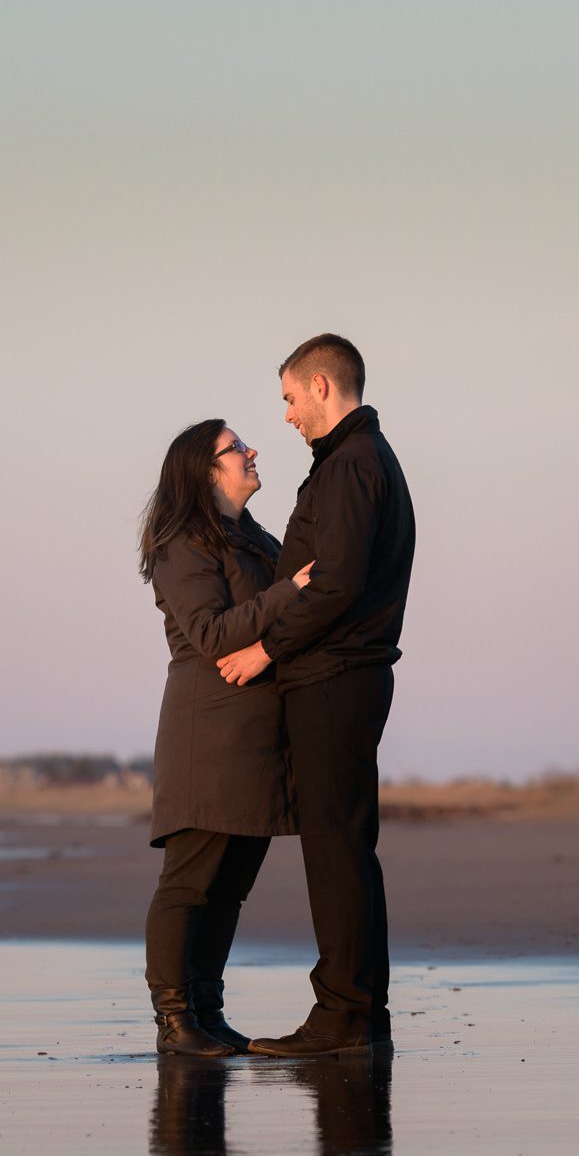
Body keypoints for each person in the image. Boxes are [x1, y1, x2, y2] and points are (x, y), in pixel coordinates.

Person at [216, 334, 415, 1057]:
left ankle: (344, 1018)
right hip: (339, 673)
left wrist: (263, 648)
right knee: (343, 846)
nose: (290, 416)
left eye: (291, 399)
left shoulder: (354, 464)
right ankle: (358, 1015)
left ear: (323, 385)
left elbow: (335, 583)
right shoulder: (354, 462)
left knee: (337, 848)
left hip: (337, 675)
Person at [140, 418, 313, 1057]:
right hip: (208, 733)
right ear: (203, 470)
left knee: (231, 886)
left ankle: (207, 1013)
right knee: (191, 882)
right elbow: (213, 636)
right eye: (235, 447)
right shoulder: (182, 542)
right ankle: (175, 1020)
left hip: (261, 736)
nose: (251, 451)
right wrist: (292, 590)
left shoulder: (254, 537)